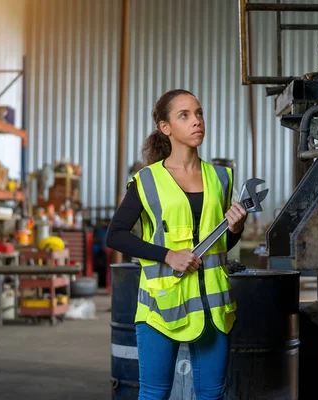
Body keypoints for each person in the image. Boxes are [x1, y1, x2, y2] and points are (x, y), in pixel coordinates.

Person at [106, 89, 247, 400]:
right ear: (165, 127)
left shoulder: (221, 178)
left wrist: (236, 228)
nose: (196, 121)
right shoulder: (147, 180)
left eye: (198, 113)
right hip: (161, 305)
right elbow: (115, 235)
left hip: (213, 306)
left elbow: (221, 242)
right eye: (184, 115)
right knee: (155, 394)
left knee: (212, 395)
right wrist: (167, 255)